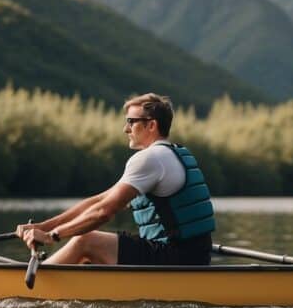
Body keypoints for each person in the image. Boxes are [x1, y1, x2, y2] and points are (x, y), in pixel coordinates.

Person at [17, 93, 215, 265]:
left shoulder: (149, 159)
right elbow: (99, 201)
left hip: (176, 258)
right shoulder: (171, 153)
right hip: (193, 255)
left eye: (131, 121)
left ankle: (32, 287)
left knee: (86, 241)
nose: (125, 129)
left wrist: (53, 236)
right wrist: (44, 227)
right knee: (90, 249)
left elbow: (103, 212)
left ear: (151, 125)